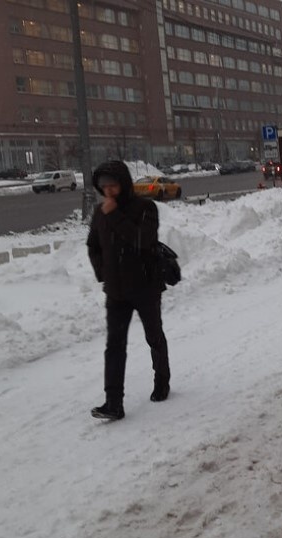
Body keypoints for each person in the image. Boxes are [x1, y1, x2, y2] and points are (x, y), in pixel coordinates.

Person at [87, 160, 171, 421]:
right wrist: (103, 273)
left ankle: (162, 381)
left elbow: (142, 241)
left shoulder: (145, 207)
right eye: (104, 187)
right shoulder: (100, 212)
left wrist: (115, 215)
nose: (108, 191)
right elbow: (93, 246)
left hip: (145, 286)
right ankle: (113, 403)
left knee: (153, 336)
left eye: (113, 185)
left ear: (123, 183)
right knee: (114, 345)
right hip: (116, 291)